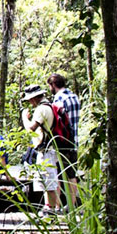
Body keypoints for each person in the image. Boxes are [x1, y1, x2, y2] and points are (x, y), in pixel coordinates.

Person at [19, 84, 63, 214]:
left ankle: (51, 210)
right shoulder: (48, 106)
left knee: (49, 181)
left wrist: (24, 119)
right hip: (49, 148)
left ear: (33, 98)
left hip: (47, 149)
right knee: (47, 179)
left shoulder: (41, 109)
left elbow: (31, 129)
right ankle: (49, 206)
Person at [48, 73, 81, 208]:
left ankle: (58, 206)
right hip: (74, 141)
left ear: (53, 85)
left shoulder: (58, 99)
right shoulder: (74, 97)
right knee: (71, 174)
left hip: (62, 141)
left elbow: (56, 122)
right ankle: (72, 205)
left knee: (58, 174)